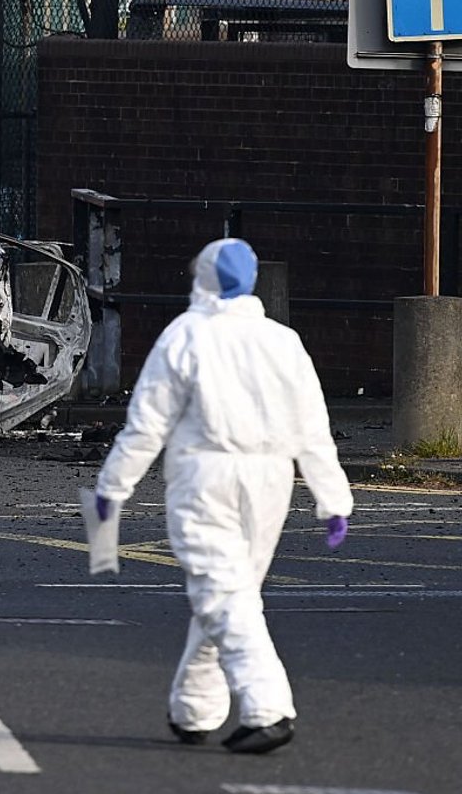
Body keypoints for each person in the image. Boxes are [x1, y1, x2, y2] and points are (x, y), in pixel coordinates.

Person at [93, 238, 353, 755]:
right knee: (231, 595)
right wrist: (332, 498)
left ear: (203, 279)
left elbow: (147, 424)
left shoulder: (186, 335)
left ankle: (267, 708)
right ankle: (194, 709)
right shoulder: (283, 340)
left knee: (221, 593)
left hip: (204, 475)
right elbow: (313, 428)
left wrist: (112, 487)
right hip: (271, 479)